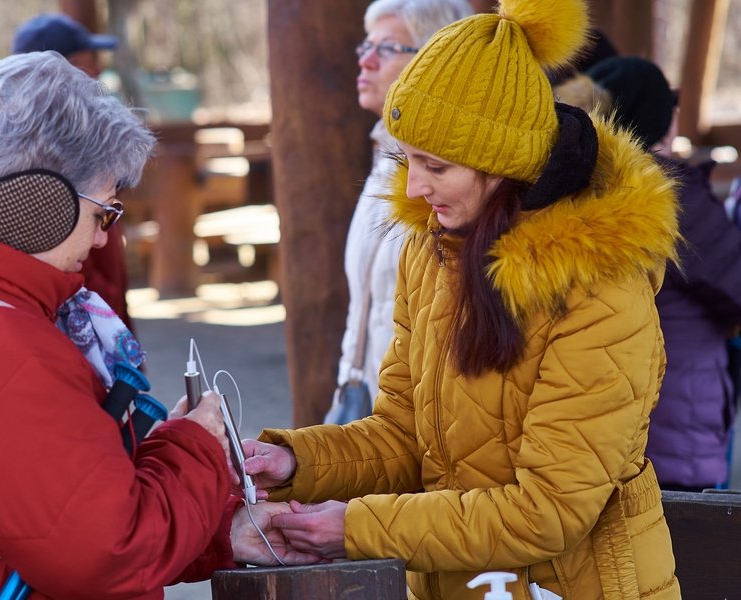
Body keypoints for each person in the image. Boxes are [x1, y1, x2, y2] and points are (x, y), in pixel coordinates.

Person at [244, 0, 682, 597]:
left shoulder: (599, 286)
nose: (415, 188)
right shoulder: (434, 253)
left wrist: (355, 527)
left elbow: (547, 510)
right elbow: (401, 434)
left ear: (503, 164)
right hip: (458, 582)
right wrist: (296, 463)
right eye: (406, 160)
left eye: (436, 166)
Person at [0, 52, 319, 598]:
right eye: (103, 213)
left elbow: (51, 520)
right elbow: (108, 554)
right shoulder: (1, 348)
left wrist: (223, 533)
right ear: (39, 204)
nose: (104, 238)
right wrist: (194, 445)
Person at [558, 56, 741, 491]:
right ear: (662, 118)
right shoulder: (666, 190)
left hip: (605, 423)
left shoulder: (581, 182)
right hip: (672, 419)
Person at [326, 0, 473, 425]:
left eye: (387, 48)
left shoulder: (460, 173)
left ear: (433, 58)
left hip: (429, 420)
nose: (366, 61)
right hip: (367, 405)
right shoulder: (384, 155)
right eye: (366, 47)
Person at [13, 13, 134, 331]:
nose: (97, 71)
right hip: (76, 312)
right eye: (89, 60)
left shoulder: (70, 125)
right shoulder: (27, 140)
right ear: (62, 68)